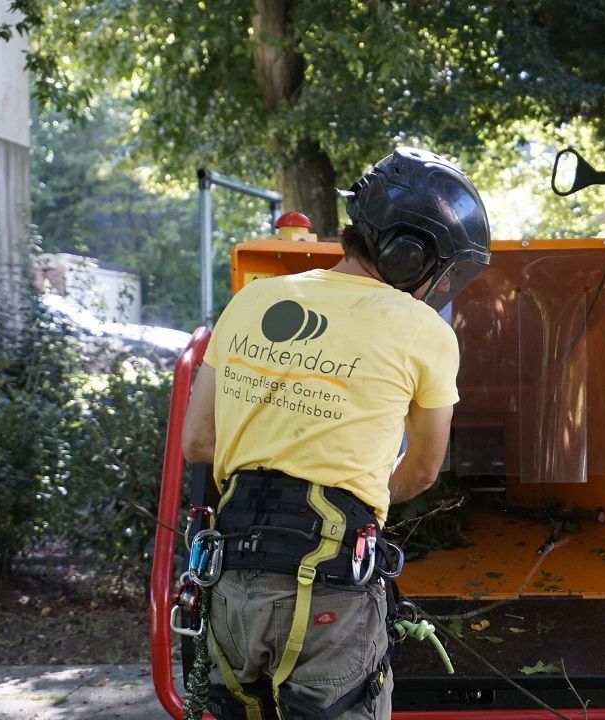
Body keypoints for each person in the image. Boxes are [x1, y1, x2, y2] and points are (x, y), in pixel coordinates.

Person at [181, 146, 491, 720]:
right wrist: (352, 494)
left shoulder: (252, 301)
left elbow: (198, 444)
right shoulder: (424, 330)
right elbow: (423, 469)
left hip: (232, 583)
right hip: (330, 589)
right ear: (407, 253)